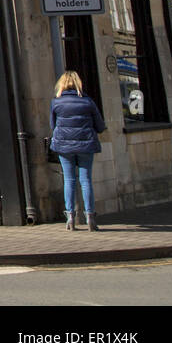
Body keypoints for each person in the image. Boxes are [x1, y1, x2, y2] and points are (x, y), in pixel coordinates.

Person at [50, 71, 106, 231]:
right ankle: (90, 217)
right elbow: (100, 126)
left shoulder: (56, 103)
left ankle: (70, 218)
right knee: (86, 180)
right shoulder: (87, 101)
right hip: (85, 144)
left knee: (69, 180)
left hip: (64, 146)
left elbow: (53, 125)